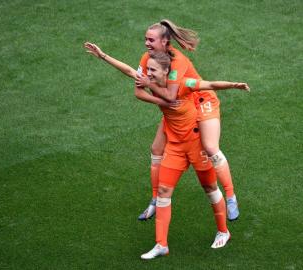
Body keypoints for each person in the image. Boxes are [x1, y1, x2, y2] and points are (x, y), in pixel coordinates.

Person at [84, 19, 240, 221]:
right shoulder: (148, 58)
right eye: (145, 39)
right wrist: (103, 56)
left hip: (200, 101)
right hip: (178, 109)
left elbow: (171, 96)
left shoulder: (178, 61)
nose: (146, 43)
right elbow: (137, 83)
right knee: (156, 149)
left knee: (210, 147)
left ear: (165, 42)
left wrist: (154, 89)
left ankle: (230, 196)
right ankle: (155, 199)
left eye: (151, 40)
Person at [139, 52, 248, 259]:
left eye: (152, 70)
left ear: (166, 71)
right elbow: (130, 72)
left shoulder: (183, 83)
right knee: (164, 190)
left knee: (209, 187)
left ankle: (224, 231)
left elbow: (210, 84)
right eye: (148, 69)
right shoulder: (153, 85)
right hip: (175, 147)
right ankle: (161, 244)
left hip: (196, 145)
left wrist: (234, 85)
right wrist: (103, 56)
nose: (148, 72)